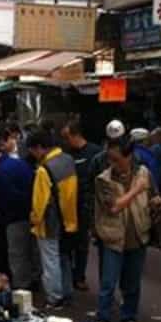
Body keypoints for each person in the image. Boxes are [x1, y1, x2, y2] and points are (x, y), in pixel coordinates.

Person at [93, 136, 159, 322]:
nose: (111, 163)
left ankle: (129, 317)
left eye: (116, 159)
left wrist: (157, 202)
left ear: (129, 156)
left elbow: (152, 194)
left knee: (133, 282)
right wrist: (136, 189)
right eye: (109, 158)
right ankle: (102, 317)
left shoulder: (144, 172)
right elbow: (114, 207)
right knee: (108, 282)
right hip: (113, 235)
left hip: (138, 233)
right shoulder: (103, 179)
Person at [0, 141, 39, 289]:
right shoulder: (18, 162)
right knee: (32, 252)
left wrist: (1, 218)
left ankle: (21, 287)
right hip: (32, 213)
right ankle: (35, 280)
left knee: (17, 254)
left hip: (15, 217)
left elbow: (8, 198)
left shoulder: (0, 172)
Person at [27, 131, 78, 309]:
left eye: (33, 151)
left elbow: (39, 202)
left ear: (40, 148)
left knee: (50, 261)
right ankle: (67, 293)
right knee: (63, 258)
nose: (33, 155)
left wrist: (34, 220)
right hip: (69, 219)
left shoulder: (44, 169)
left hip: (50, 222)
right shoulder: (68, 160)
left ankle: (54, 298)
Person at [61, 120, 101, 292]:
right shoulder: (65, 153)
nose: (66, 141)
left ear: (76, 135)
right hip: (68, 203)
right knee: (68, 240)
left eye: (67, 137)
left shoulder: (95, 152)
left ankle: (80, 276)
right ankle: (69, 275)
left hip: (85, 202)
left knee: (82, 242)